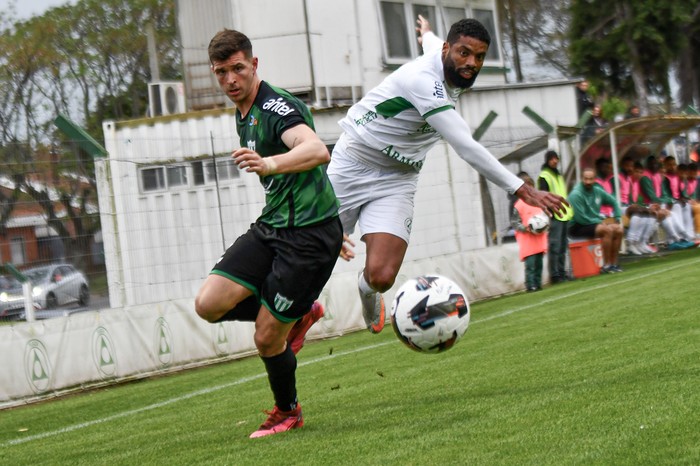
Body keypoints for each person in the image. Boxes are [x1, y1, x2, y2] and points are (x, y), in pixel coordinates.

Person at [328, 17, 568, 333]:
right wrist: (523, 189)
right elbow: (465, 145)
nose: (471, 63)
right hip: (353, 163)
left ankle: (366, 289)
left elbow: (431, 41)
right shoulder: (422, 80)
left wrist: (425, 32)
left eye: (479, 57)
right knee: (320, 252)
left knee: (382, 276)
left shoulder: (445, 56)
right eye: (464, 53)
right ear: (447, 50)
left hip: (398, 178)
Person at [194, 29, 344, 438]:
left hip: (309, 238)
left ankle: (288, 411)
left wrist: (270, 164)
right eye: (221, 72)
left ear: (254, 65)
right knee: (208, 304)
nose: (230, 80)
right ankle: (298, 310)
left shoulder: (277, 107)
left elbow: (316, 150)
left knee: (266, 337)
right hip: (274, 224)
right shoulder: (242, 110)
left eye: (238, 69)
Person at [568, 167, 624, 273]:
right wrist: (599, 222)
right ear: (582, 178)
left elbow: (614, 202)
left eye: (591, 179)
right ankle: (606, 265)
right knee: (606, 230)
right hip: (576, 226)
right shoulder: (576, 194)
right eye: (586, 179)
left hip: (592, 223)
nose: (588, 182)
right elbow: (581, 219)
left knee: (618, 229)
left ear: (595, 179)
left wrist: (617, 217)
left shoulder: (597, 191)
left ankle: (614, 264)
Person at [639, 155, 694, 250]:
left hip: (659, 204)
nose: (655, 165)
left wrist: (667, 201)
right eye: (653, 164)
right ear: (648, 165)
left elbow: (664, 194)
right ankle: (674, 240)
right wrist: (665, 203)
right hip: (649, 205)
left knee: (672, 214)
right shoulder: (645, 177)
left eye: (656, 164)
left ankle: (683, 237)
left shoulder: (657, 176)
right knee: (669, 213)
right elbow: (652, 197)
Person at [537, 150, 574, 283]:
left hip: (563, 214)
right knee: (555, 246)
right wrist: (550, 213)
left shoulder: (558, 175)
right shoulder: (544, 176)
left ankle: (562, 272)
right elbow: (544, 196)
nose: (555, 161)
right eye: (552, 159)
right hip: (555, 215)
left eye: (556, 158)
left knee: (563, 246)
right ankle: (555, 274)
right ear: (547, 160)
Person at [511, 172, 548, 292]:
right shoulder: (518, 205)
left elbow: (544, 216)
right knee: (530, 264)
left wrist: (545, 224)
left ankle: (537, 283)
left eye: (531, 186)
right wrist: (525, 228)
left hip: (539, 238)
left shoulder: (538, 202)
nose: (529, 189)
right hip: (527, 240)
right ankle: (530, 284)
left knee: (539, 263)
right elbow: (515, 223)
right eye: (526, 187)